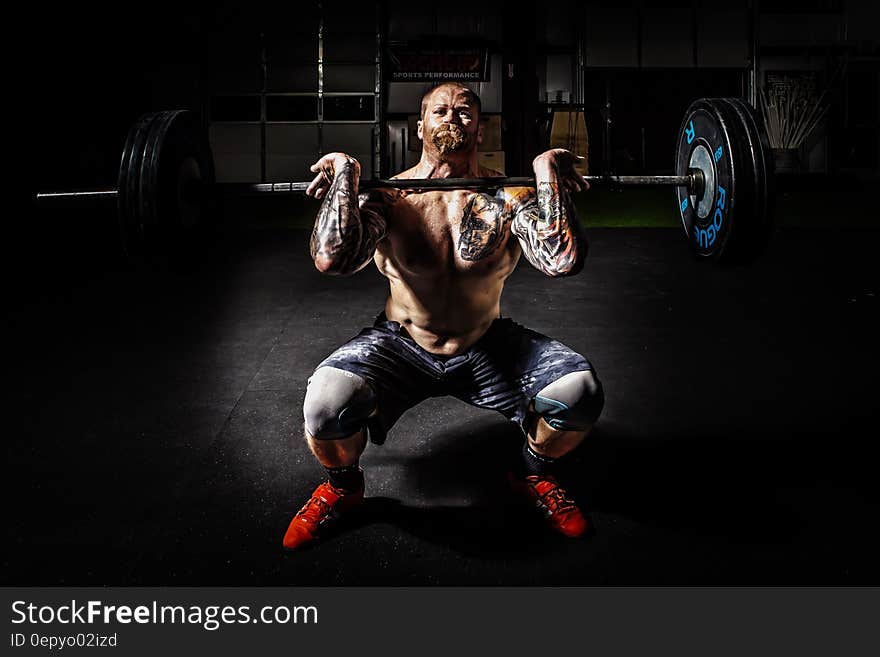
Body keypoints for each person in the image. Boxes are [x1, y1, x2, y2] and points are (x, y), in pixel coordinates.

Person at [283, 82, 604, 550]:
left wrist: (545, 172)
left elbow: (561, 260)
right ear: (420, 127)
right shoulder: (390, 198)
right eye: (440, 111)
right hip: (401, 344)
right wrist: (345, 178)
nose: (452, 117)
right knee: (324, 405)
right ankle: (343, 488)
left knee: (580, 392)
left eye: (464, 111)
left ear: (480, 127)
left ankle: (533, 475)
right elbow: (333, 259)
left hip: (486, 343)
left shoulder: (508, 194)